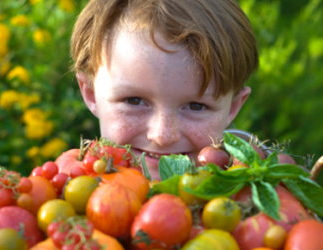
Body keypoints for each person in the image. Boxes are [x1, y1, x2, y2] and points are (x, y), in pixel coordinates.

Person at [69, 0, 258, 180]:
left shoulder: (262, 201)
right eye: (134, 100)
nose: (163, 136)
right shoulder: (58, 194)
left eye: (196, 106)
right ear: (91, 93)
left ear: (233, 107)